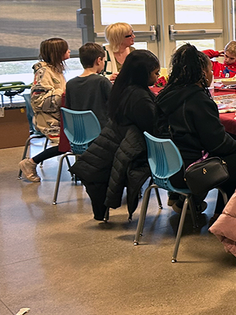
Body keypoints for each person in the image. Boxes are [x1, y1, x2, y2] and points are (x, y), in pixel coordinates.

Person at [156, 44, 236, 213]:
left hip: (167, 167)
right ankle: (222, 214)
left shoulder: (167, 95)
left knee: (231, 153)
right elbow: (218, 144)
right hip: (189, 171)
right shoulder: (198, 100)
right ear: (202, 73)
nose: (212, 74)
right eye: (210, 71)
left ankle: (184, 201)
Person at [70, 50, 161, 221]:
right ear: (143, 74)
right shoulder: (140, 98)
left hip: (117, 144)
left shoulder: (122, 89)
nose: (157, 77)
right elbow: (153, 129)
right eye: (155, 73)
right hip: (136, 151)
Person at [19, 38, 70, 183]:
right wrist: (63, 93)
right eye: (66, 49)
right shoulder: (44, 72)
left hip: (59, 116)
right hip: (47, 119)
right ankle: (30, 163)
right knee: (68, 143)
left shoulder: (56, 70)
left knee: (77, 139)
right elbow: (38, 101)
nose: (69, 51)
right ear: (57, 53)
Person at [64, 43, 113, 128]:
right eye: (103, 61)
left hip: (78, 131)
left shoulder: (70, 84)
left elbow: (68, 108)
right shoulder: (102, 82)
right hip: (101, 130)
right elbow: (116, 105)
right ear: (99, 60)